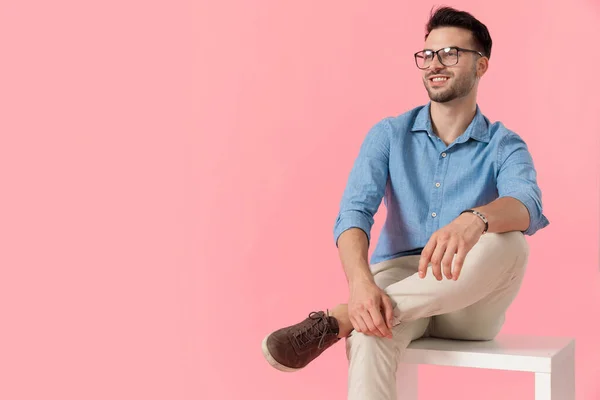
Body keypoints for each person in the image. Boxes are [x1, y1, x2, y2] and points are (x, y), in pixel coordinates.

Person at [261, 6, 549, 399]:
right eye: (428, 55)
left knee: (511, 242)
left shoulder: (504, 144)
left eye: (450, 54)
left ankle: (340, 318)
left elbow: (527, 204)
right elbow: (353, 214)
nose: (435, 64)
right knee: (369, 334)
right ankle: (359, 314)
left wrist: (474, 219)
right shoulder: (389, 134)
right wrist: (361, 285)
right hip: (396, 277)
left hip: (468, 301)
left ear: (481, 66)